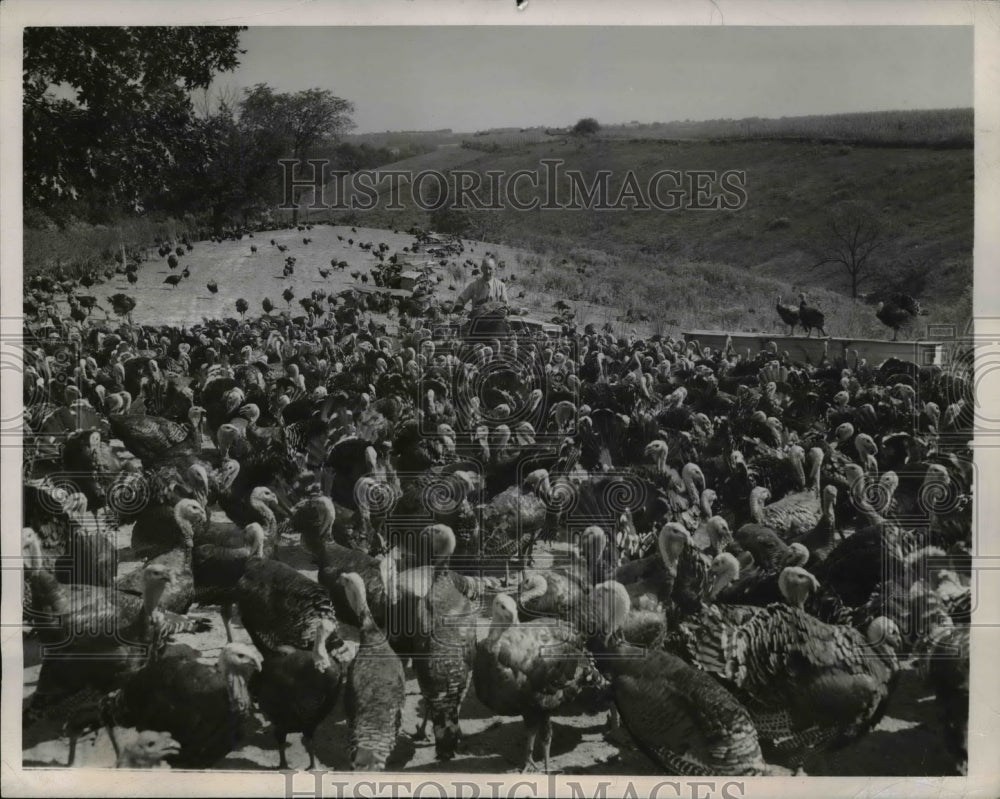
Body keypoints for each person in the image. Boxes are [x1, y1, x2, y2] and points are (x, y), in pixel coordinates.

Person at [455, 257, 510, 340]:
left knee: (500, 340)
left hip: (495, 325)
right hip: (478, 323)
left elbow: (506, 306)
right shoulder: (473, 285)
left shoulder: (501, 286)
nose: (487, 271)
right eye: (485, 268)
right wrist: (461, 311)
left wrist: (503, 311)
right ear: (481, 269)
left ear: (495, 269)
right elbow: (461, 300)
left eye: (490, 269)